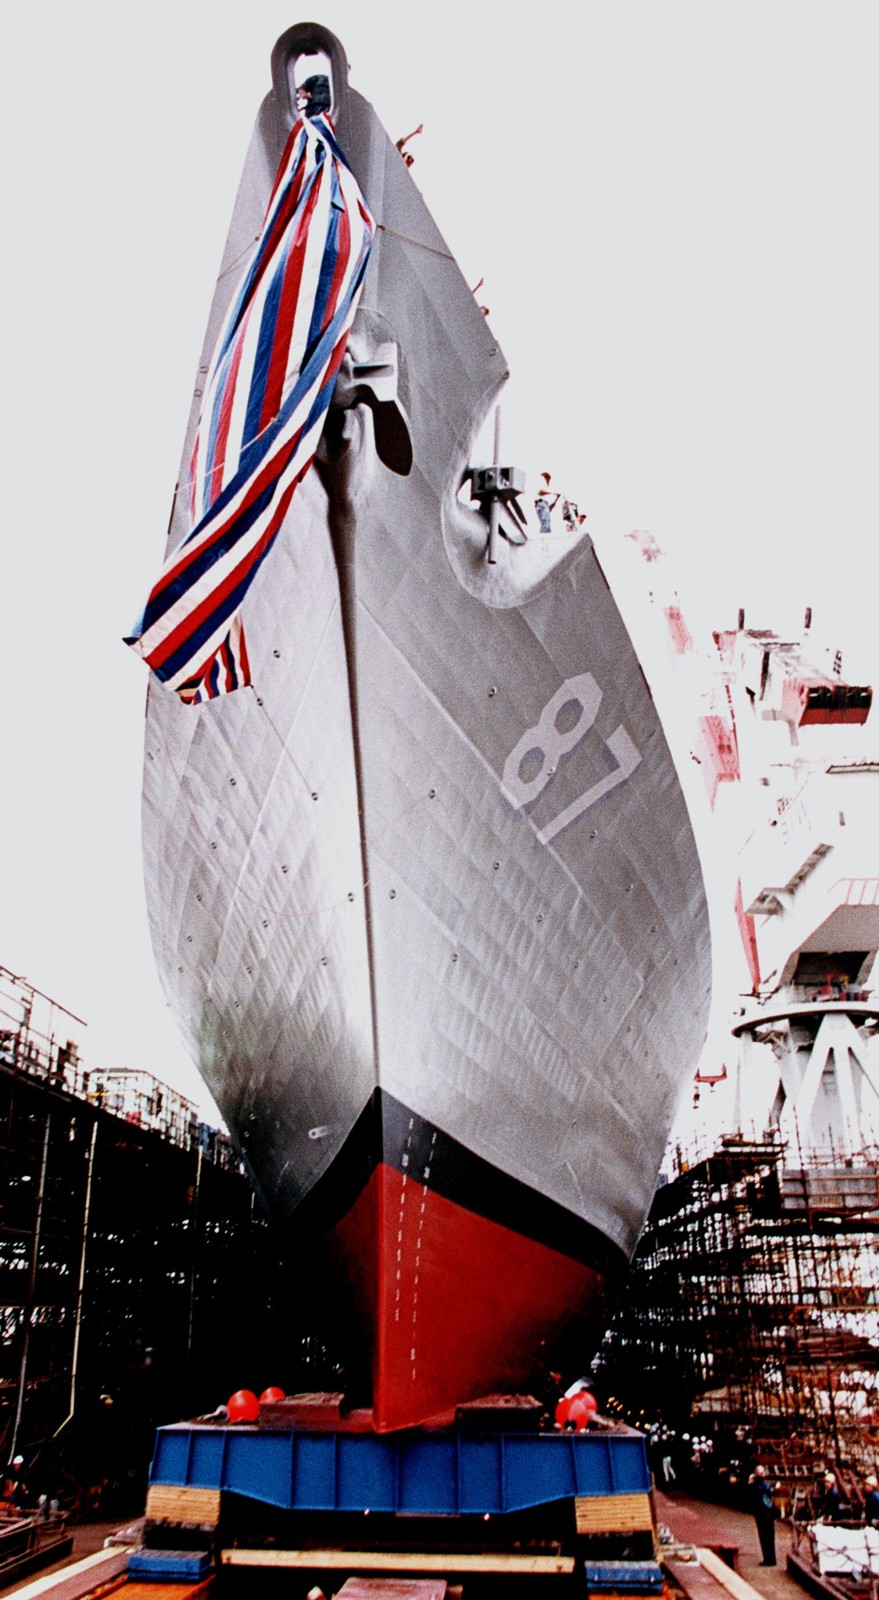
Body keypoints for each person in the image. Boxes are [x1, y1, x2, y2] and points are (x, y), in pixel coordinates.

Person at [748, 1465, 777, 1566]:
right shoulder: (764, 1485)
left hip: (763, 1513)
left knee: (765, 1537)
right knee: (768, 1537)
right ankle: (770, 1559)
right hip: (766, 1513)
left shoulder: (758, 1485)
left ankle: (769, 1559)